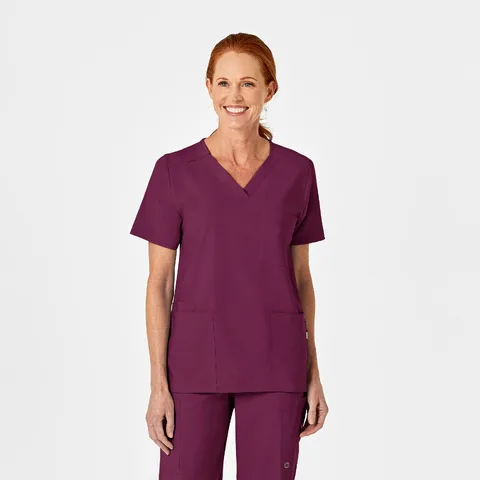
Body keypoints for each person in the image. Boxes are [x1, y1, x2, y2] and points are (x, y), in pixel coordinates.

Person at [130, 32, 329, 480]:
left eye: (247, 83)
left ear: (269, 90)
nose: (234, 96)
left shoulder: (297, 172)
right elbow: (159, 284)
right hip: (195, 364)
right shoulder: (173, 171)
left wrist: (313, 371)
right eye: (223, 83)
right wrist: (158, 385)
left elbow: (302, 279)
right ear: (208, 87)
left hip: (277, 363)